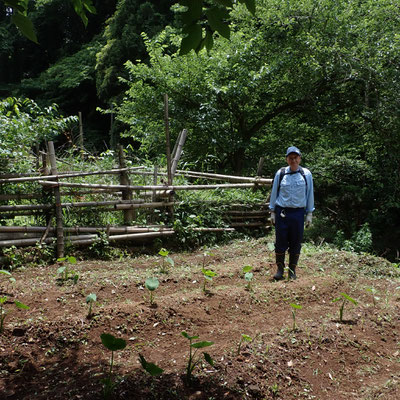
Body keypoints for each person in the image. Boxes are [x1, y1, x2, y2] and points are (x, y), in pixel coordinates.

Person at [269, 146, 314, 280]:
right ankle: (280, 270)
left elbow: (310, 194)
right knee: (280, 241)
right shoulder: (281, 173)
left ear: (299, 159)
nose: (293, 160)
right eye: (290, 158)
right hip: (282, 212)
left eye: (296, 158)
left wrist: (309, 213)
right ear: (287, 159)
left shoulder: (306, 174)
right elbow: (274, 192)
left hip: (298, 214)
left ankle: (292, 270)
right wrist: (272, 211)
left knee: (296, 242)